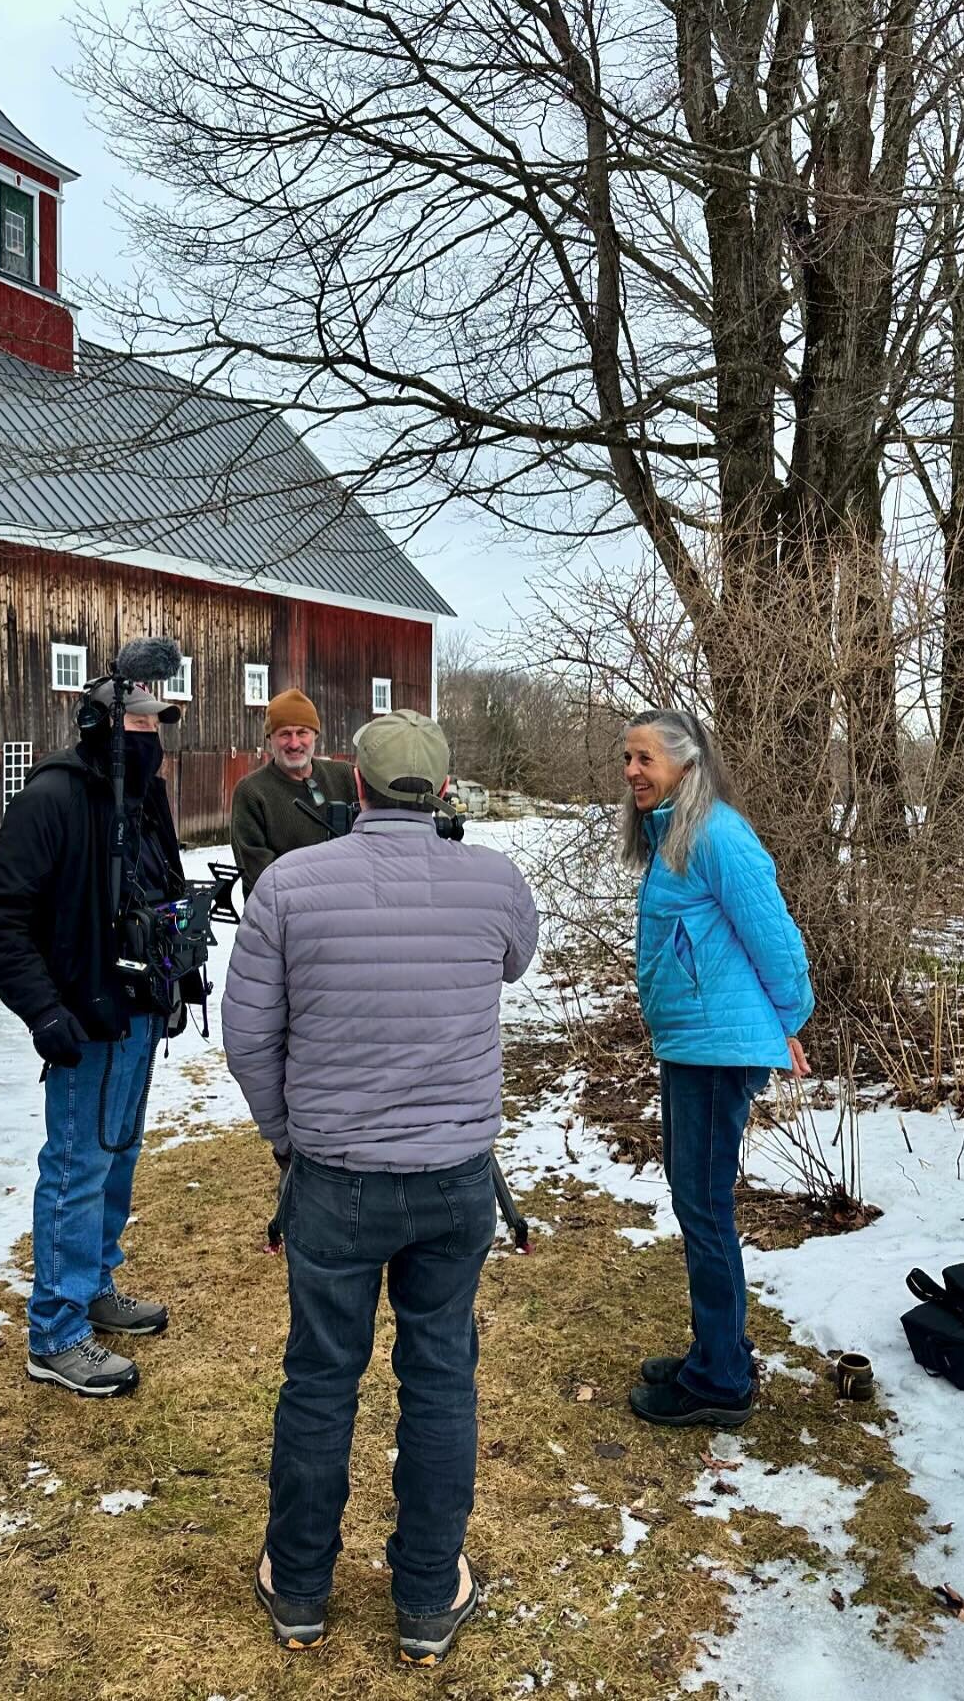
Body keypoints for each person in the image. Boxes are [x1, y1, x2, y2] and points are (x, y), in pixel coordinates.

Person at [222, 707, 539, 1665]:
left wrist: (288, 1139)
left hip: (335, 1178)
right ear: (443, 793)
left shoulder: (289, 884)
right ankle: (428, 1592)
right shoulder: (495, 882)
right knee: (440, 1376)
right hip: (452, 1182)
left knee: (321, 1377)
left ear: (350, 785)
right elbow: (515, 960)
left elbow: (247, 1038)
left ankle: (301, 1587)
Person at [0, 651, 195, 1398]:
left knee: (118, 1155)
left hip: (139, 1013)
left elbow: (158, 895)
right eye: (138, 721)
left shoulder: (147, 799)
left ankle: (96, 1284)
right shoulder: (55, 798)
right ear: (103, 722)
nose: (150, 736)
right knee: (75, 1169)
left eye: (158, 723)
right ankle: (56, 1332)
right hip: (84, 1020)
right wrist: (43, 1011)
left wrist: (177, 967)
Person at [621, 708, 814, 1429]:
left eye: (645, 758)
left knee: (703, 1206)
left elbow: (774, 933)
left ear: (687, 763)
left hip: (713, 1048)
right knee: (697, 1199)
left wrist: (791, 1020)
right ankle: (718, 1348)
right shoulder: (674, 832)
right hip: (695, 1042)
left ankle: (722, 1379)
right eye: (629, 759)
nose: (633, 771)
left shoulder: (717, 834)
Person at [229, 687, 357, 895]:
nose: (295, 743)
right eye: (285, 734)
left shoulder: (346, 776)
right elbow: (258, 872)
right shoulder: (252, 793)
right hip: (280, 918)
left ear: (315, 735)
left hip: (346, 911)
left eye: (302, 733)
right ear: (270, 738)